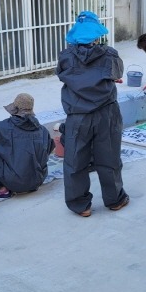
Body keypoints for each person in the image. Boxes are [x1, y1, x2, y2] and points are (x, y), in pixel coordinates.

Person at [57, 11, 129, 217]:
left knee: (75, 161)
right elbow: (117, 74)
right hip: (106, 113)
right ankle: (115, 200)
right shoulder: (110, 54)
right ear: (96, 34)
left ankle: (81, 206)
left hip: (77, 114)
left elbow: (63, 76)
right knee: (109, 158)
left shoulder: (66, 57)